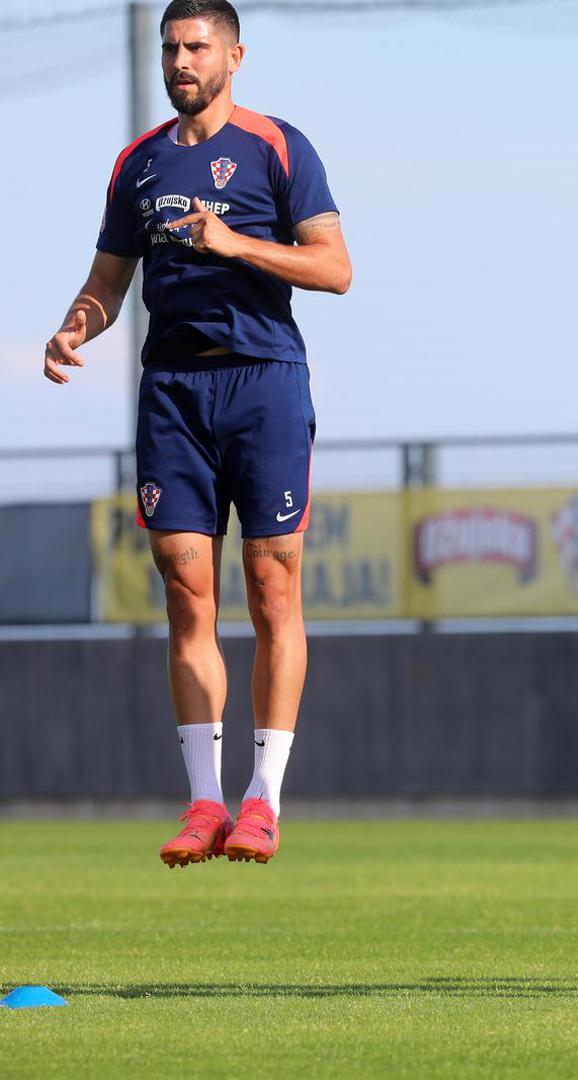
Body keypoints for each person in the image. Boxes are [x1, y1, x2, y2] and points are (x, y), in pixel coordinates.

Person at [44, 0, 350, 867]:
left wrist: (237, 243)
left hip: (263, 386)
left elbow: (335, 268)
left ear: (235, 55)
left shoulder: (279, 146)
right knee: (186, 592)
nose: (181, 60)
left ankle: (264, 800)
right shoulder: (137, 164)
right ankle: (204, 802)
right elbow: (107, 280)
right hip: (172, 390)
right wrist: (76, 324)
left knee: (271, 587)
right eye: (172, 47)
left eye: (197, 46)